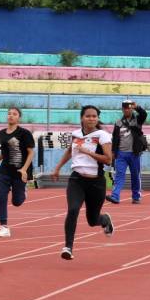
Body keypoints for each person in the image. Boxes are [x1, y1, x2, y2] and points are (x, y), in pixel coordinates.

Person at [51, 105, 115, 260]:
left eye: (94, 116)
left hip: (96, 182)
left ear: (98, 118)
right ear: (82, 118)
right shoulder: (75, 134)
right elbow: (69, 151)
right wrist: (58, 167)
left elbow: (108, 159)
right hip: (77, 179)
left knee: (92, 221)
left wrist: (88, 152)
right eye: (88, 116)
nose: (91, 119)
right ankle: (68, 247)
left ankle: (105, 219)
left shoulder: (103, 136)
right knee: (73, 210)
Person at [0, 107, 34, 238]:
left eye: (14, 114)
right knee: (0, 196)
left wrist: (24, 169)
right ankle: (4, 227)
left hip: (20, 171)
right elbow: (4, 153)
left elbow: (30, 153)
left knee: (17, 202)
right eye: (9, 114)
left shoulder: (24, 133)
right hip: (4, 170)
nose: (11, 116)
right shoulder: (1, 134)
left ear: (19, 118)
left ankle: (23, 192)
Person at [106, 99, 149, 204]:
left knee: (135, 176)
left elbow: (144, 114)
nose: (126, 110)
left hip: (134, 154)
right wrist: (113, 152)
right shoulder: (118, 123)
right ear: (122, 109)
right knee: (119, 176)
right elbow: (115, 138)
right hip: (121, 154)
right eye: (124, 108)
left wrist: (137, 107)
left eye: (128, 108)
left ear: (131, 109)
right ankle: (115, 196)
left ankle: (136, 196)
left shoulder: (138, 120)